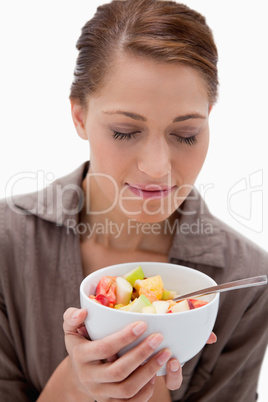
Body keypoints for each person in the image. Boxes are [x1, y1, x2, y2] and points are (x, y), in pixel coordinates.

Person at [0, 0, 267, 401]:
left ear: (208, 118)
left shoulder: (246, 279)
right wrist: (74, 384)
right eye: (125, 131)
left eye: (186, 134)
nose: (158, 167)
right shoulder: (6, 246)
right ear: (79, 116)